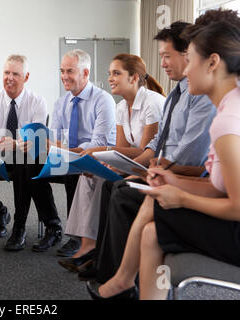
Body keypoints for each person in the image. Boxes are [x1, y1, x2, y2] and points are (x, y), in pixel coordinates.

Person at [88, 10, 240, 300]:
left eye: (191, 59)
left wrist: (181, 196)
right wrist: (172, 180)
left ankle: (120, 281)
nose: (185, 69)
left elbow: (236, 205)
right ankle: (120, 281)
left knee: (154, 216)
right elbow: (221, 187)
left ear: (212, 63)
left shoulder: (228, 121)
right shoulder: (228, 108)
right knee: (152, 225)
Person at [58, 54, 165, 272]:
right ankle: (88, 247)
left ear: (134, 78)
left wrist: (103, 151)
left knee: (98, 170)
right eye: (110, 73)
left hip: (151, 167)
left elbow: (143, 152)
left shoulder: (152, 103)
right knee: (90, 172)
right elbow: (123, 149)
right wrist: (103, 159)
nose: (110, 78)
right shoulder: (120, 107)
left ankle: (96, 251)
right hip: (135, 163)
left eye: (116, 73)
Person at [0, 54, 62, 252]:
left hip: (26, 158)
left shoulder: (37, 102)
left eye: (15, 74)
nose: (9, 77)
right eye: (6, 72)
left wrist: (16, 143)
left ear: (26, 77)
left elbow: (36, 141)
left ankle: (20, 226)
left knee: (25, 162)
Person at [49, 49, 117, 257]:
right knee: (31, 167)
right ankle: (50, 225)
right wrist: (59, 150)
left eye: (70, 71)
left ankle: (77, 237)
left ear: (85, 73)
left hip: (99, 156)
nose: (64, 76)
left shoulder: (102, 100)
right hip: (72, 153)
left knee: (76, 169)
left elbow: (99, 142)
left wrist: (68, 153)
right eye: (62, 71)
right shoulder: (61, 103)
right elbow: (54, 138)